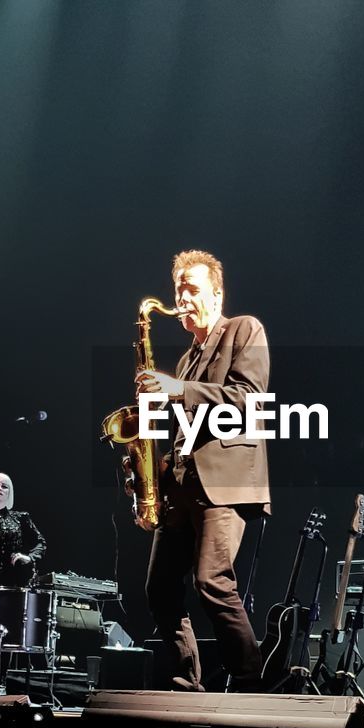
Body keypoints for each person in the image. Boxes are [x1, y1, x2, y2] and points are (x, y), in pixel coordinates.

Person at [136, 249, 270, 692]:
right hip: (180, 486)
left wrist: (180, 390)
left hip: (224, 482)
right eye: (178, 289)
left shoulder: (245, 329)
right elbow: (182, 429)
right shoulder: (185, 360)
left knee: (212, 581)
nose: (181, 298)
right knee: (159, 589)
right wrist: (147, 473)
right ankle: (185, 681)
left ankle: (252, 681)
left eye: (191, 288)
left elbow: (249, 398)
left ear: (217, 292)